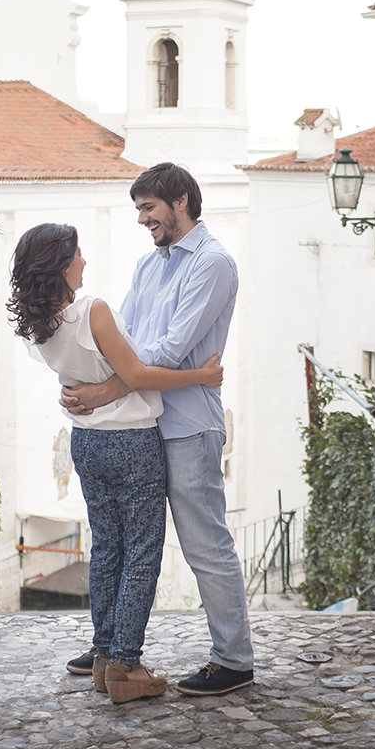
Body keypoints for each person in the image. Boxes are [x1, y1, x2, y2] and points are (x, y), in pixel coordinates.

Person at [6, 221, 224, 704]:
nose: (84, 261)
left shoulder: (40, 326)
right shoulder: (93, 312)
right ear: (62, 266)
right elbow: (139, 375)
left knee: (106, 551)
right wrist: (201, 375)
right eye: (77, 254)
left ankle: (105, 655)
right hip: (130, 442)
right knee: (142, 554)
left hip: (87, 444)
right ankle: (126, 664)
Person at [61, 161, 254, 696]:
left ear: (181, 202)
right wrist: (116, 379)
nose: (142, 219)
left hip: (189, 426)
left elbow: (170, 350)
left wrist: (103, 391)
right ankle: (111, 647)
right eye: (139, 209)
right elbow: (120, 340)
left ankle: (233, 659)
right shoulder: (150, 266)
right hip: (139, 426)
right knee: (118, 544)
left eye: (149, 208)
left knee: (204, 545)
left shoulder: (213, 264)